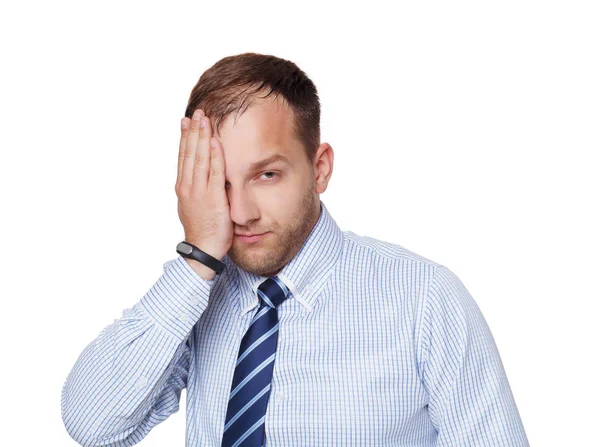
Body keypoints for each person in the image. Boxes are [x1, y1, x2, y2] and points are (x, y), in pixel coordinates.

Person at [61, 52, 529, 447]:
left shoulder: (424, 298)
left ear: (320, 168)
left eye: (267, 175)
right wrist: (198, 257)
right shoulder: (197, 293)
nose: (240, 211)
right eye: (219, 183)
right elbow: (93, 423)